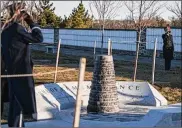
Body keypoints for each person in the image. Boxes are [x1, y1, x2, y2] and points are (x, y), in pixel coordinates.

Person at [1, 2, 43, 127]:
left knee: (15, 101)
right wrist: (31, 23)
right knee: (23, 102)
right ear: (17, 12)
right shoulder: (17, 29)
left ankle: (14, 125)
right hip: (21, 70)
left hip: (11, 71)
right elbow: (38, 38)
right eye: (22, 10)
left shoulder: (4, 30)